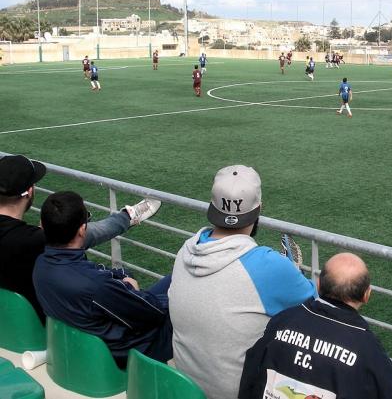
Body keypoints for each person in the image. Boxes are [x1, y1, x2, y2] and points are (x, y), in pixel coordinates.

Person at [169, 165, 317, 399]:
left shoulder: (186, 249)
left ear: (212, 205)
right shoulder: (266, 265)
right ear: (259, 209)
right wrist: (291, 274)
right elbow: (315, 301)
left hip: (185, 384)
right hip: (239, 392)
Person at [0, 154, 159, 324]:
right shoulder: (34, 242)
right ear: (30, 191)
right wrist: (125, 218)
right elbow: (88, 235)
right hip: (40, 333)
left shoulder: (33, 239)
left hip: (10, 328)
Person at [33, 191, 170, 368]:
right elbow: (154, 313)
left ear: (42, 225)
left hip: (88, 346)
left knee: (159, 283)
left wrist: (124, 282)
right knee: (183, 291)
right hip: (126, 352)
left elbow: (99, 278)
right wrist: (135, 291)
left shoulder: (41, 264)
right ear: (82, 230)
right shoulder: (94, 285)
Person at [239, 253, 392, 399]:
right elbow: (389, 392)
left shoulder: (282, 320)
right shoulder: (369, 350)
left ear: (318, 285)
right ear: (366, 295)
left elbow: (251, 371)